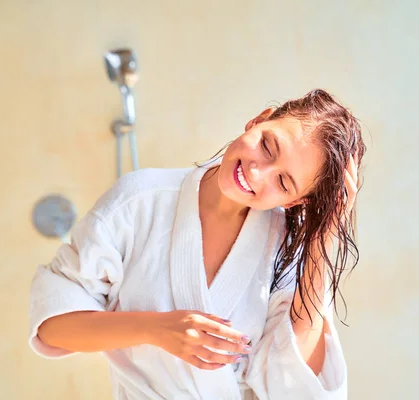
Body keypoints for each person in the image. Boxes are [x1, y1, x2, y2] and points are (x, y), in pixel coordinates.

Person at [28, 88, 365, 399]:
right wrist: (158, 329)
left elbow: (295, 386)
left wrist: (323, 237)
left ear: (293, 202)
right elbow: (53, 327)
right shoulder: (139, 201)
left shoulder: (285, 247)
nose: (257, 172)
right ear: (259, 119)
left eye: (283, 182)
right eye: (267, 145)